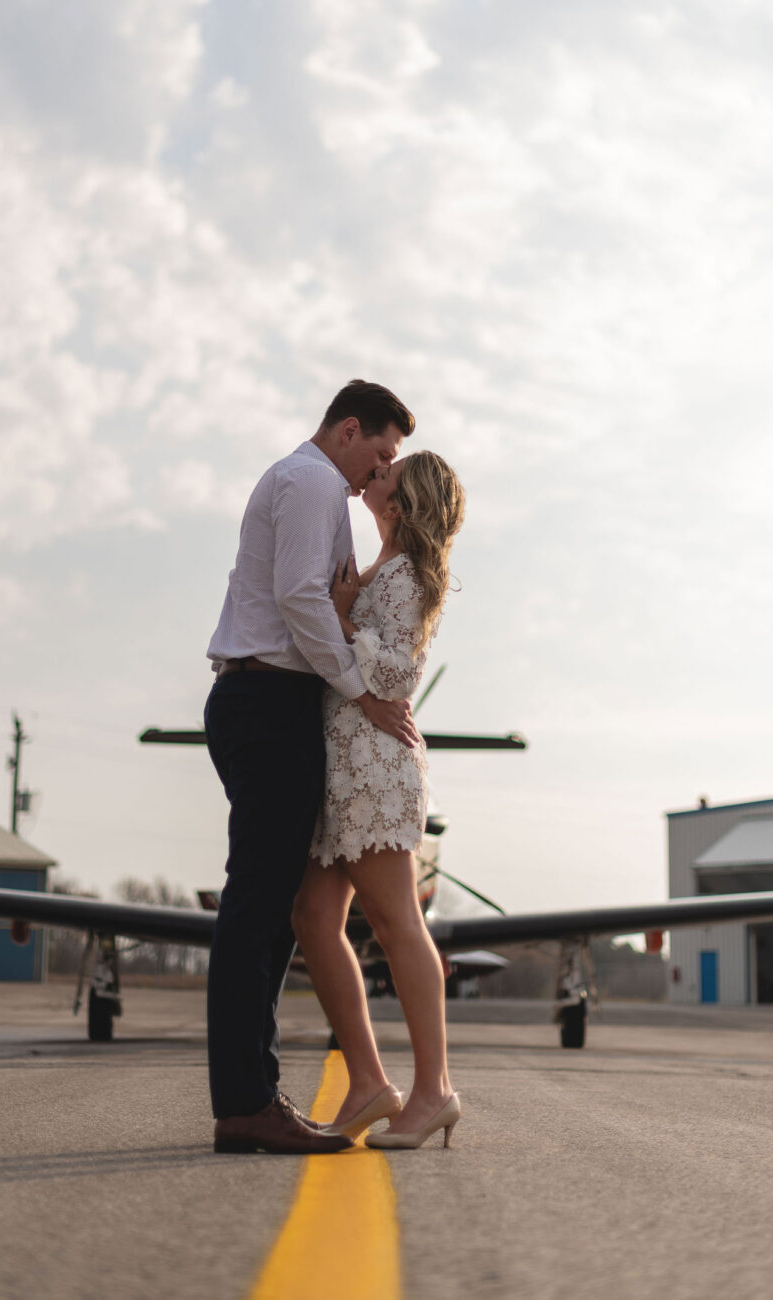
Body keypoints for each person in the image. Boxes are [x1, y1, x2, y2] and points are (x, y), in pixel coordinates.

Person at [204, 379, 420, 1155]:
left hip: (279, 705)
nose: (381, 470)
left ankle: (250, 1096)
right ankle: (244, 1102)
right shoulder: (309, 482)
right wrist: (363, 692)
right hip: (267, 702)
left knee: (271, 913)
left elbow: (328, 602)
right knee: (257, 909)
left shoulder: (321, 487)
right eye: (382, 453)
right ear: (349, 430)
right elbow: (301, 597)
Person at [291, 449, 466, 1150]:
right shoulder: (380, 566)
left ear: (400, 503)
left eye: (388, 473)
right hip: (345, 766)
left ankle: (434, 1091)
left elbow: (399, 672)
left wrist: (343, 620)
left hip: (376, 767)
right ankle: (368, 1082)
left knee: (396, 925)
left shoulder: (408, 576)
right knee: (311, 918)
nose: (375, 473)